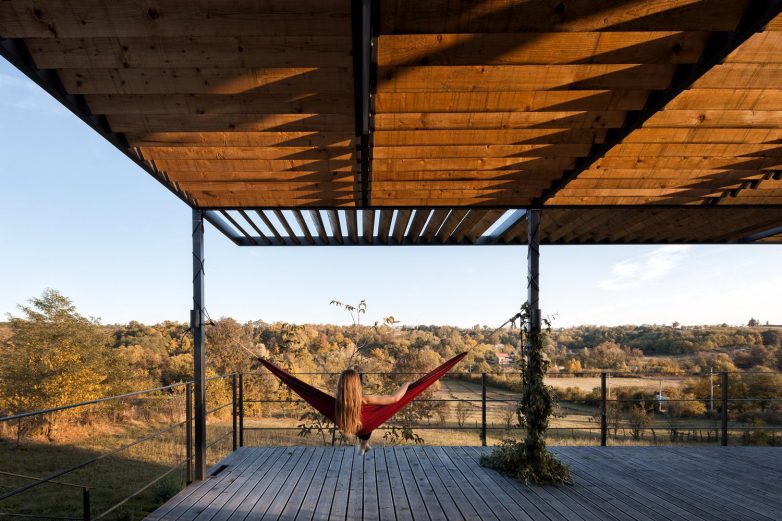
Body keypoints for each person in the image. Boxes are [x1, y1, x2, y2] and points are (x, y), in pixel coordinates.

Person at [335, 369, 410, 455]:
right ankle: (363, 446)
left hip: (351, 426)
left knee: (362, 423)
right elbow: (394, 398)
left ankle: (363, 446)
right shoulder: (365, 400)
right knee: (366, 424)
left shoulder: (337, 404)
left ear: (340, 385)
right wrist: (406, 384)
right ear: (356, 385)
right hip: (364, 427)